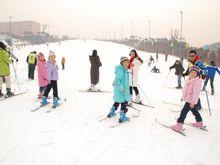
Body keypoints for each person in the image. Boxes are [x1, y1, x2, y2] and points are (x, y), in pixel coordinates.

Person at [170, 66, 204, 132]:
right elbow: (186, 90)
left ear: (198, 74)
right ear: (189, 73)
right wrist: (183, 97)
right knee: (194, 111)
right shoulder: (190, 79)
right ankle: (199, 122)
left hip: (191, 100)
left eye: (195, 73)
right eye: (192, 72)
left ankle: (179, 125)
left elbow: (196, 93)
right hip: (189, 99)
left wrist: (193, 102)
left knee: (183, 112)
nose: (193, 74)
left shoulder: (197, 82)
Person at [107, 56, 131, 123]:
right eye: (125, 62)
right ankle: (122, 116)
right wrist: (122, 88)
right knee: (123, 102)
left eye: (127, 62)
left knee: (117, 101)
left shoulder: (124, 70)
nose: (126, 63)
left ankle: (111, 112)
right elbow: (117, 80)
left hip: (121, 89)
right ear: (122, 62)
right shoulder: (120, 70)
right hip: (121, 89)